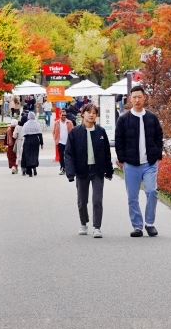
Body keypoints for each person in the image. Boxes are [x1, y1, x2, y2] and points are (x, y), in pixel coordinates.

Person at [113, 85, 163, 237]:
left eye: (139, 97)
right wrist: (122, 158)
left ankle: (149, 223)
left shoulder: (151, 117)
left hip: (149, 162)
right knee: (132, 196)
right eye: (134, 97)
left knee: (151, 191)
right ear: (130, 99)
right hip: (131, 163)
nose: (137, 100)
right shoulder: (124, 119)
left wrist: (157, 153)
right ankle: (137, 226)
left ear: (144, 98)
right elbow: (119, 140)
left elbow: (159, 136)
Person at [63, 103, 112, 237]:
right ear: (83, 114)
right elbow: (68, 153)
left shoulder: (101, 131)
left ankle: (97, 227)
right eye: (89, 112)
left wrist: (109, 171)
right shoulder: (75, 132)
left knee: (97, 200)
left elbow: (106, 152)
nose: (91, 115)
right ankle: (83, 222)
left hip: (98, 170)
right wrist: (70, 172)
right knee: (82, 200)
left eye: (94, 113)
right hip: (82, 170)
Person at [51, 110, 74, 174]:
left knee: (68, 156)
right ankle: (63, 168)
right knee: (61, 156)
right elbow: (53, 132)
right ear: (60, 115)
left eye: (65, 115)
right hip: (60, 142)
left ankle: (68, 168)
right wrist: (55, 139)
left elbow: (73, 131)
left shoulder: (69, 122)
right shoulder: (57, 123)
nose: (64, 116)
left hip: (68, 142)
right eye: (62, 115)